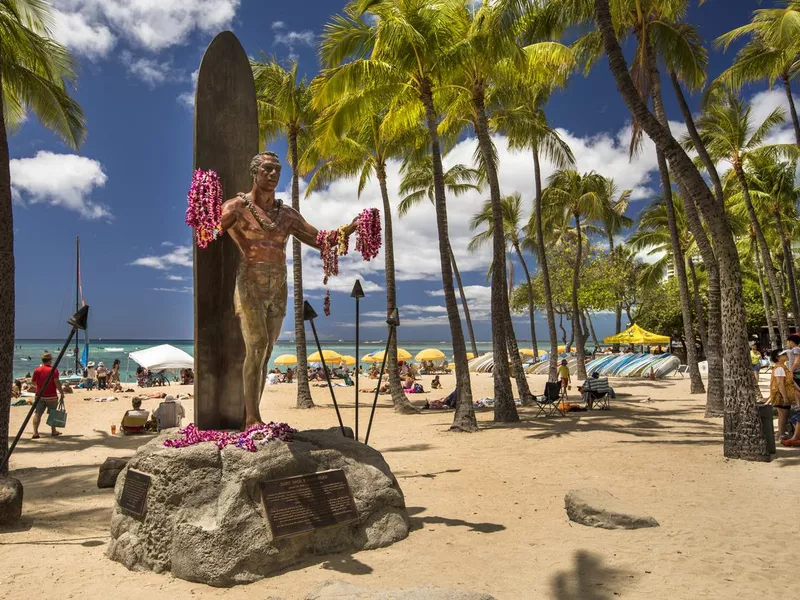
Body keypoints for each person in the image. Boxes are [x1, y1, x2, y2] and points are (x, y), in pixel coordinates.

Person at [218, 151, 359, 427]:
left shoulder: (287, 215)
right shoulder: (236, 207)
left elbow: (320, 240)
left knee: (267, 352)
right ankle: (251, 418)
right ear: (254, 173)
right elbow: (209, 231)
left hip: (278, 284)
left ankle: (254, 414)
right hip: (250, 281)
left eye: (277, 170)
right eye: (267, 169)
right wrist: (205, 206)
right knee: (256, 346)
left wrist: (351, 229)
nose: (272, 175)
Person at [31, 351, 64, 439]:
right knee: (52, 414)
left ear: (43, 360)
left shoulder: (37, 370)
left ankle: (35, 432)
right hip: (52, 396)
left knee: (37, 414)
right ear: (50, 360)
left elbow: (33, 382)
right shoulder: (54, 370)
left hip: (39, 395)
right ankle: (53, 431)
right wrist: (61, 392)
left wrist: (40, 386)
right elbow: (56, 382)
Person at [767, 349, 793, 440]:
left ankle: (780, 434)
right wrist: (785, 397)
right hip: (780, 395)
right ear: (778, 358)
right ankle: (781, 435)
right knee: (783, 415)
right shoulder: (780, 368)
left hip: (782, 394)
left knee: (783, 415)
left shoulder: (782, 367)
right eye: (784, 354)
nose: (786, 355)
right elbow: (780, 383)